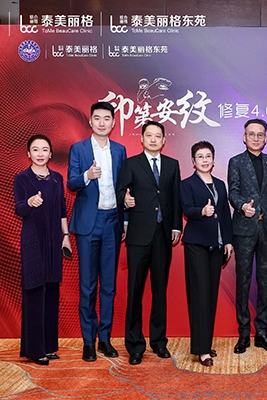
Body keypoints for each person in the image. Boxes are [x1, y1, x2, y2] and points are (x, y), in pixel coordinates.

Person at [116, 120, 182, 365]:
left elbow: (175, 198)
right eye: (149, 135)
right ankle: (135, 345)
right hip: (138, 236)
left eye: (158, 136)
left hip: (163, 235)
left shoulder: (173, 165)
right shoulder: (131, 164)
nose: (153, 139)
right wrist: (125, 200)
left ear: (164, 140)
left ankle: (159, 342)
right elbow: (121, 190)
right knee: (135, 291)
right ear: (142, 138)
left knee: (159, 290)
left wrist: (176, 226)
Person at [67, 101, 127, 362]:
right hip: (87, 224)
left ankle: (105, 339)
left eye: (107, 119)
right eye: (97, 118)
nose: (102, 123)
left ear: (113, 123)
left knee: (109, 286)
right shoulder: (78, 149)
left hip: (112, 221)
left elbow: (124, 188)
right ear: (90, 121)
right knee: (88, 285)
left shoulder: (120, 150)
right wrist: (87, 175)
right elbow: (71, 183)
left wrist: (125, 221)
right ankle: (88, 341)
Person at [228, 118, 267, 354]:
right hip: (244, 229)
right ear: (244, 137)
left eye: (260, 134)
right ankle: (243, 333)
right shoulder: (236, 162)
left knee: (265, 281)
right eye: (251, 134)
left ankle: (261, 332)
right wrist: (242, 206)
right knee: (243, 280)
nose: (256, 138)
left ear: (266, 138)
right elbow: (233, 192)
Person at [14, 134, 71, 365]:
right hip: (33, 241)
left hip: (54, 240)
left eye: (44, 149)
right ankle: (35, 349)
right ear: (28, 154)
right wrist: (29, 202)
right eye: (35, 149)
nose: (40, 154)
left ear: (50, 153)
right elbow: (19, 208)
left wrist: (66, 236)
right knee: (35, 292)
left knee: (51, 293)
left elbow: (62, 210)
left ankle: (48, 347)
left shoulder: (57, 178)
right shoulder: (22, 178)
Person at [180, 141, 234, 367]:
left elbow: (225, 215)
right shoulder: (187, 184)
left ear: (213, 160)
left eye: (208, 156)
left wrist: (228, 241)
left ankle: (205, 342)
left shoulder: (220, 184)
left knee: (210, 295)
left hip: (216, 246)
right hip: (196, 245)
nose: (204, 160)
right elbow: (186, 209)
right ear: (193, 161)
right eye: (200, 156)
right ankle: (201, 349)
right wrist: (201, 211)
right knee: (199, 295)